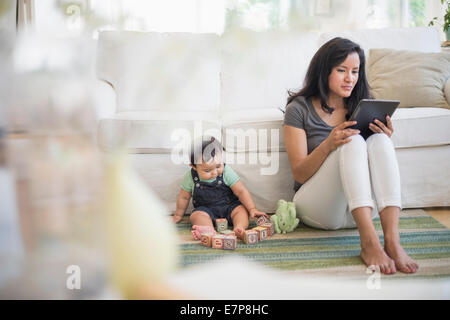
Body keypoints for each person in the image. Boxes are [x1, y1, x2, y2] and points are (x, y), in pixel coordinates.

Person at [283, 37, 418, 275]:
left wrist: (385, 136)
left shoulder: (365, 106)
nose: (350, 78)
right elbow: (299, 173)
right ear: (324, 71)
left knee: (379, 139)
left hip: (361, 210)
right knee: (352, 139)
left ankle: (392, 242)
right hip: (319, 210)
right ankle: (369, 243)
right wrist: (328, 144)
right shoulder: (299, 109)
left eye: (355, 71)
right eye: (341, 70)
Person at [172, 136, 268, 240]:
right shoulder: (191, 177)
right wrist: (178, 215)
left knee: (241, 211)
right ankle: (208, 230)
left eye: (218, 166)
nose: (214, 173)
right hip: (206, 210)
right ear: (194, 167)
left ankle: (239, 228)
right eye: (207, 170)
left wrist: (252, 208)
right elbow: (184, 197)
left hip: (229, 207)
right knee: (196, 216)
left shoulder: (226, 172)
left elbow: (240, 191)